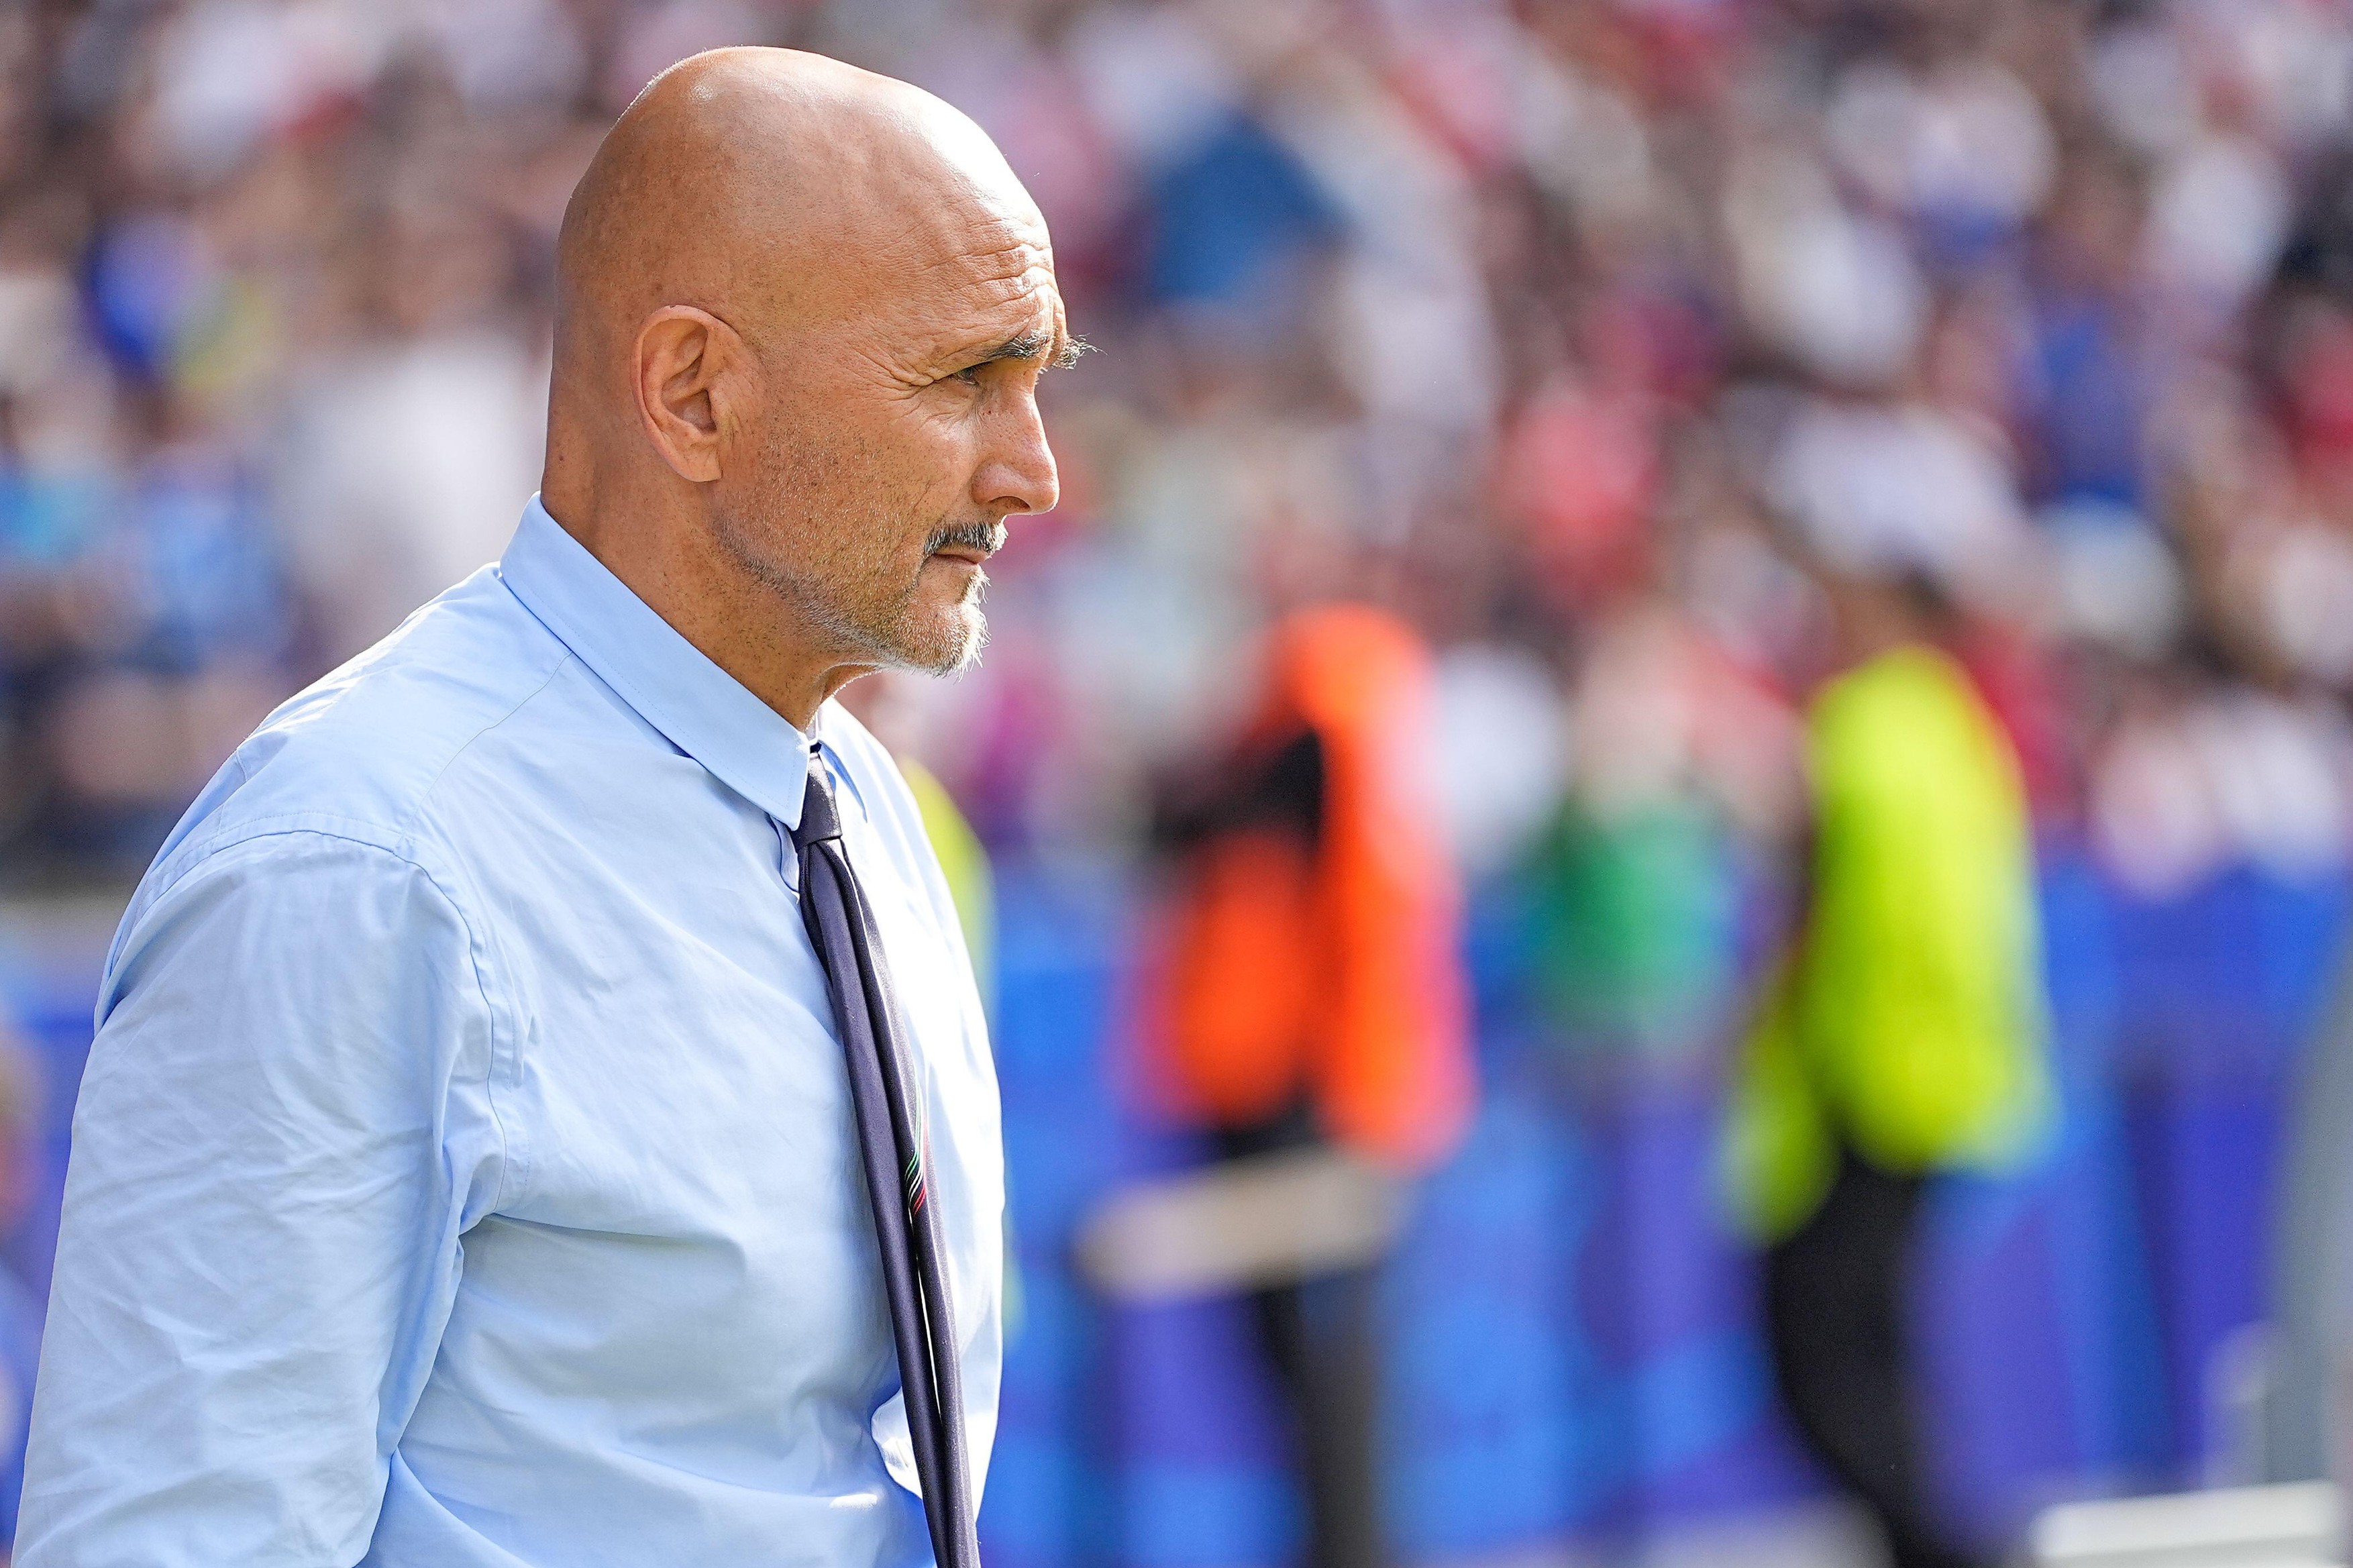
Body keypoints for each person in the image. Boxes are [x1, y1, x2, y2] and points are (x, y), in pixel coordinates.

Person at [16, 48, 1071, 1568]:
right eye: (962, 376)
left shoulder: (858, 805)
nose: (1031, 469)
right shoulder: (359, 866)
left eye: (1040, 378)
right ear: (693, 393)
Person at [1723, 570, 2050, 1568]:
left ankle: (1942, 1550)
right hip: (1939, 1079)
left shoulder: (1858, 727)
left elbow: (1811, 894)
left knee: (1819, 1362)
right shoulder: (1962, 735)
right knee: (1879, 1350)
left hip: (1853, 1080)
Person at [1143, 605, 1471, 1568]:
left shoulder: (1318, 738)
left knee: (1328, 1376)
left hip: (1303, 1095)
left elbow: (1190, 821)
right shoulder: (1355, 752)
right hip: (1326, 1090)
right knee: (1317, 1376)